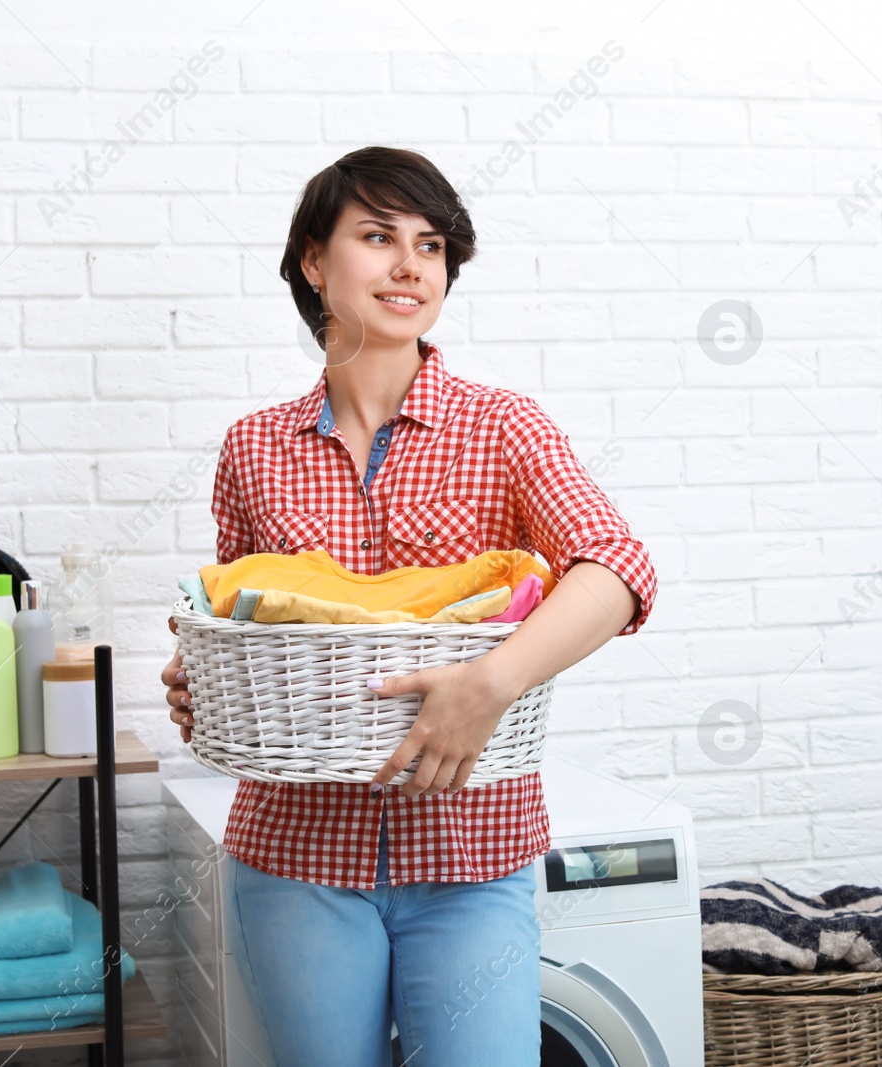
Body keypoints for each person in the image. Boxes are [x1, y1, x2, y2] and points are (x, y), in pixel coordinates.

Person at [161, 145, 658, 1066]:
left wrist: (489, 682)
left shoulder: (502, 425)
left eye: (430, 246)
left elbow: (619, 569)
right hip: (298, 855)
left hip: (473, 852)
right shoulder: (253, 447)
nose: (409, 266)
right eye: (378, 236)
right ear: (314, 260)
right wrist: (200, 687)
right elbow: (243, 622)